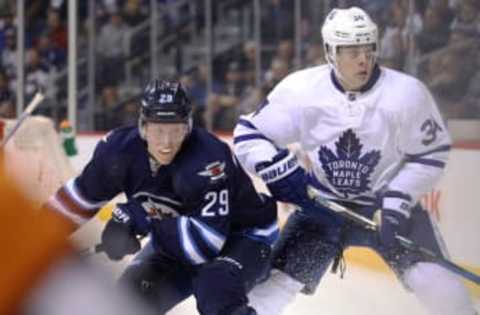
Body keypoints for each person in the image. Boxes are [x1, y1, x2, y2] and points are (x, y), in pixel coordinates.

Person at [234, 7, 477, 315]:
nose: (363, 59)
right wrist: (279, 170)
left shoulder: (406, 93)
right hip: (321, 207)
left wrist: (398, 198)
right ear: (330, 52)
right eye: (351, 51)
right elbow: (249, 133)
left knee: (439, 286)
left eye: (368, 48)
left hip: (387, 207)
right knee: (272, 288)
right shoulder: (302, 90)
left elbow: (431, 152)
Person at [45, 79, 278, 315]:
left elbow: (205, 244)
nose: (166, 143)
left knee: (215, 290)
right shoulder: (119, 151)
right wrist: (27, 240)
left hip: (242, 237)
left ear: (187, 127)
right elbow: (77, 199)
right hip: (178, 239)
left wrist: (137, 217)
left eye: (175, 131)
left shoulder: (208, 158)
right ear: (143, 126)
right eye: (158, 130)